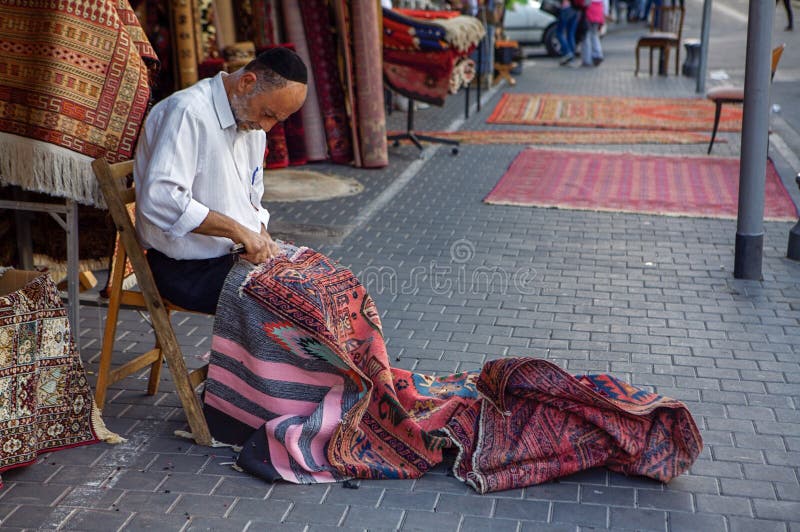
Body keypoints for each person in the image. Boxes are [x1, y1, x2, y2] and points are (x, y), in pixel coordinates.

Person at [133, 47, 308, 314]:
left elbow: (252, 196)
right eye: (268, 114)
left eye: (277, 120)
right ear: (247, 82)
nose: (267, 126)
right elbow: (161, 199)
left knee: (320, 283)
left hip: (231, 258)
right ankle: (243, 358)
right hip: (185, 268)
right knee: (291, 305)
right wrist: (237, 231)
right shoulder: (187, 112)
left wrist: (261, 235)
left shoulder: (252, 124)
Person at [581, 0, 606, 67]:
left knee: (586, 36)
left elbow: (584, 3)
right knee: (594, 34)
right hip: (598, 11)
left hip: (589, 11)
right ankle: (598, 54)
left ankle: (587, 59)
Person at [557, 0, 581, 65]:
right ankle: (571, 56)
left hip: (566, 8)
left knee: (559, 32)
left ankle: (568, 52)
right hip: (576, 9)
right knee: (571, 34)